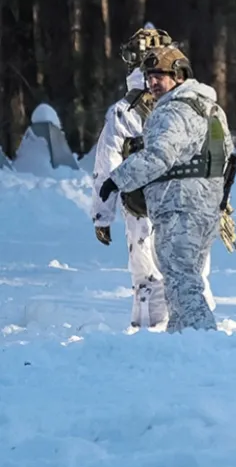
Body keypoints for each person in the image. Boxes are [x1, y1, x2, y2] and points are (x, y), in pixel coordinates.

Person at [97, 45, 233, 333]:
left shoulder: (173, 110)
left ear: (180, 76)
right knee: (185, 278)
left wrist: (117, 179)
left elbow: (160, 156)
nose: (152, 83)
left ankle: (203, 338)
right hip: (206, 208)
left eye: (160, 75)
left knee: (182, 279)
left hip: (179, 207)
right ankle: (181, 338)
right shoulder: (211, 108)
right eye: (149, 76)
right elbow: (226, 153)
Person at [90, 27, 171, 329]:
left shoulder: (123, 112)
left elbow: (106, 166)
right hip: (185, 203)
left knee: (145, 272)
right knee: (189, 269)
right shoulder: (188, 106)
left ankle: (147, 331)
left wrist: (102, 216)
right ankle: (193, 332)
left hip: (140, 205)